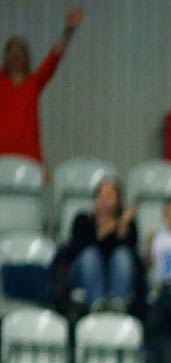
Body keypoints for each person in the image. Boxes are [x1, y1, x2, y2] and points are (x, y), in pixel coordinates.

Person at [0, 7, 80, 162]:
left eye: (20, 51)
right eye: (12, 51)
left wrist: (68, 31)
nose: (16, 55)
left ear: (27, 57)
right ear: (5, 56)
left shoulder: (34, 82)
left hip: (29, 154)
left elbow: (54, 57)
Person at [63, 176, 137, 311]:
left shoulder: (127, 224)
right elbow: (78, 248)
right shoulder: (83, 219)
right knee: (91, 255)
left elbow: (130, 254)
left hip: (114, 275)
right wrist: (114, 225)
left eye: (110, 195)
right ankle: (95, 304)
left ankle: (118, 304)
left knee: (122, 255)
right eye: (101, 195)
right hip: (83, 272)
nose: (105, 200)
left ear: (118, 200)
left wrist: (121, 228)